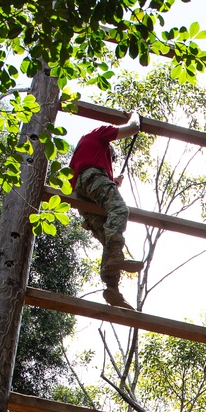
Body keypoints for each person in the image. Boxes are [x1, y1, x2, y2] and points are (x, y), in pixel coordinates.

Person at [70, 110, 141, 308]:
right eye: (112, 156)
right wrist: (135, 115)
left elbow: (83, 184)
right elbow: (134, 127)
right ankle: (117, 257)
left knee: (106, 238)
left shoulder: (80, 155)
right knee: (120, 210)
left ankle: (112, 289)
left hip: (82, 194)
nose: (112, 159)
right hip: (92, 177)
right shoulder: (99, 134)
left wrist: (112, 183)